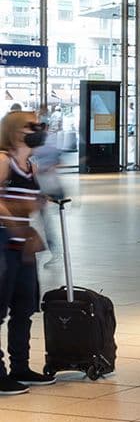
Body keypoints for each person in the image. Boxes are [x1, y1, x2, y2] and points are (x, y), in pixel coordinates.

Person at [0, 110, 51, 393]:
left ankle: (20, 366)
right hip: (4, 242)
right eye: (32, 126)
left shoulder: (32, 165)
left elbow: (27, 201)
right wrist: (14, 221)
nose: (38, 130)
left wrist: (38, 202)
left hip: (22, 246)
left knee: (24, 307)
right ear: (14, 131)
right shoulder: (3, 160)